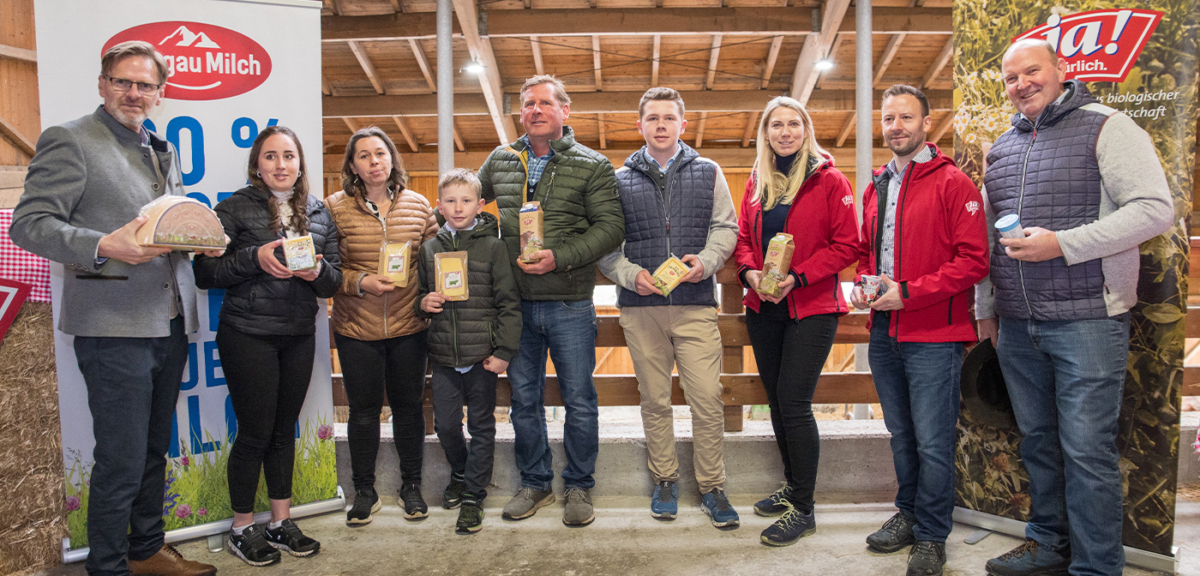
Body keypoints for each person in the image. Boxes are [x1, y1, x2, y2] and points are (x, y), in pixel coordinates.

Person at [10, 41, 219, 576]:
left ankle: (146, 550)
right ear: (102, 84)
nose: (134, 93)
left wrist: (195, 240)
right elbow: (29, 224)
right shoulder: (71, 139)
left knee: (152, 451)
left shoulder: (156, 145)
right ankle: (107, 567)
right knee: (121, 460)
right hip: (112, 325)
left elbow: (159, 226)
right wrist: (105, 245)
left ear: (160, 92)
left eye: (145, 84)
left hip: (168, 320)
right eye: (122, 81)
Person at [975, 39, 1173, 576]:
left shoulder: (1108, 126)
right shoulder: (1001, 148)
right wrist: (986, 309)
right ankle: (1047, 546)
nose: (1021, 84)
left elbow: (1156, 210)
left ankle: (1096, 567)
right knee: (1038, 443)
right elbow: (989, 241)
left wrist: (1063, 243)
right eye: (1010, 78)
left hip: (1088, 317)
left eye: (1031, 71)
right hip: (1017, 324)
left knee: (1087, 452)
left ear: (1061, 70)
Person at [849, 84, 989, 576]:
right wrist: (864, 286)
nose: (896, 126)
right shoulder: (877, 184)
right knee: (901, 433)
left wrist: (908, 292)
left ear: (926, 123)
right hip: (884, 330)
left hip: (934, 333)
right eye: (889, 118)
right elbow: (870, 253)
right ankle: (907, 514)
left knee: (932, 440)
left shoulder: (953, 183)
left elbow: (974, 261)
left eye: (906, 117)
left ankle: (932, 534)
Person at [477, 74, 625, 526]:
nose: (535, 110)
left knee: (579, 398)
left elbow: (610, 228)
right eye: (528, 104)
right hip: (514, 304)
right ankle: (535, 482)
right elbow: (465, 203)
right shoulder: (500, 160)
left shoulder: (592, 165)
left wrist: (559, 258)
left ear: (565, 110)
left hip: (568, 303)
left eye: (544, 103)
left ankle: (580, 486)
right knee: (524, 398)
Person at [193, 126, 341, 568]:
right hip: (248, 332)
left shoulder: (319, 212)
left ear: (300, 163)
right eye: (272, 156)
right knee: (256, 433)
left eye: (289, 156)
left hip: (298, 332)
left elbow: (334, 277)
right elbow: (205, 272)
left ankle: (280, 521)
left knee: (283, 432)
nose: (281, 165)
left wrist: (319, 274)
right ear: (257, 163)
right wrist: (253, 258)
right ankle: (241, 527)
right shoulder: (233, 208)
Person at [597, 87, 740, 528]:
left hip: (695, 304)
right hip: (641, 308)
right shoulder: (617, 180)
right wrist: (629, 274)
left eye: (669, 118)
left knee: (707, 398)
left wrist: (708, 262)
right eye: (652, 118)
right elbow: (606, 247)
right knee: (654, 399)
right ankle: (664, 480)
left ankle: (713, 486)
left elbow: (726, 227)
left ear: (683, 123)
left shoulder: (710, 171)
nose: (661, 125)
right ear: (640, 125)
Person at [733, 96, 859, 547]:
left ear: (806, 130)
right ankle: (792, 486)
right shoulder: (756, 181)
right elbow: (743, 241)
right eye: (776, 125)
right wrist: (748, 271)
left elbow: (849, 246)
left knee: (794, 400)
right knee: (776, 400)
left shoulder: (829, 179)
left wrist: (799, 278)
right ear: (766, 133)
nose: (785, 132)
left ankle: (804, 509)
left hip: (811, 307)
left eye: (793, 124)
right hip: (763, 308)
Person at [325, 127, 438, 526]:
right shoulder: (333, 208)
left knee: (409, 410)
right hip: (357, 327)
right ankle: (365, 491)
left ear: (392, 159)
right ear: (352, 165)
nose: (374, 162)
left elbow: (436, 260)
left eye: (380, 153)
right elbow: (323, 270)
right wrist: (359, 282)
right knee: (363, 412)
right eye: (364, 156)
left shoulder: (419, 206)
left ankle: (411, 487)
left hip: (410, 325)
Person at [415, 168, 521, 534]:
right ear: (440, 206)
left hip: (481, 357)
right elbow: (419, 297)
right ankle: (459, 471)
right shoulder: (429, 249)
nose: (458, 208)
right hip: (443, 356)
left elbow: (508, 302)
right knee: (445, 425)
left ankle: (474, 496)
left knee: (482, 427)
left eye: (466, 200)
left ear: (479, 204)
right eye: (450, 201)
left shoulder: (493, 248)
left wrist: (504, 350)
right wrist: (423, 303)